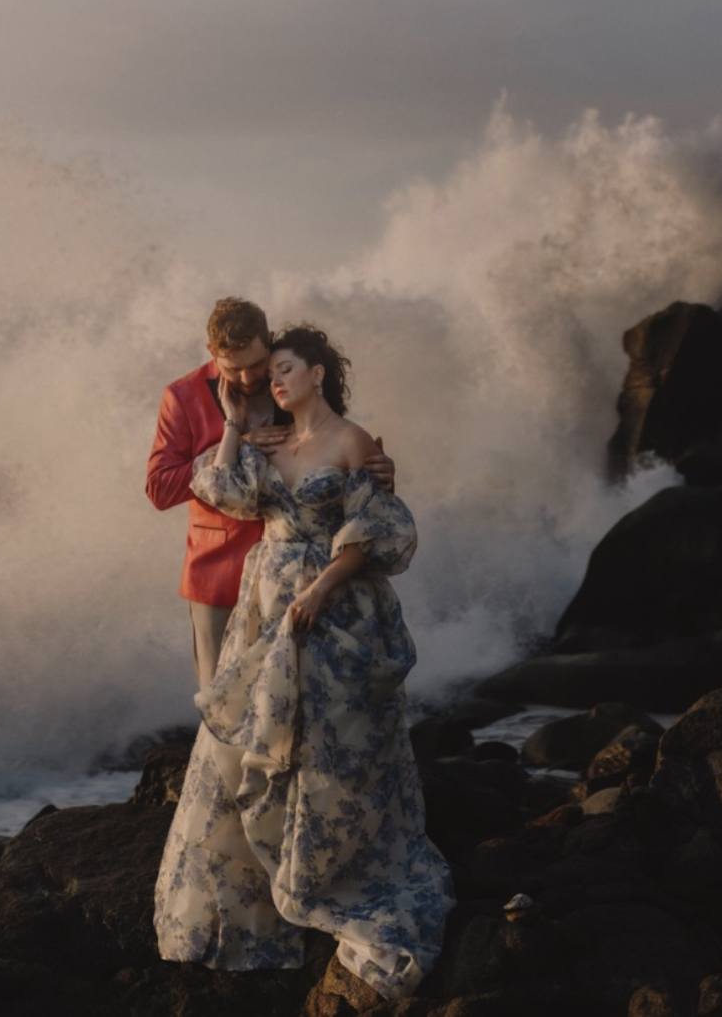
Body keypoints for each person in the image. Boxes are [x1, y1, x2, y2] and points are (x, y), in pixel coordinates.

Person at [153, 324, 453, 1001]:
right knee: (265, 741)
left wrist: (320, 589)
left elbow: (374, 527)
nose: (274, 382)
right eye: (270, 374)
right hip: (267, 605)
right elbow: (219, 489)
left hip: (332, 606)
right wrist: (233, 425)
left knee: (332, 744)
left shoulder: (354, 441)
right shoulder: (271, 439)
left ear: (318, 373)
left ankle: (329, 870)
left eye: (285, 369)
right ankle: (267, 890)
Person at [146, 299, 393, 690]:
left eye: (256, 364)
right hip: (218, 573)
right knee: (223, 699)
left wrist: (378, 471)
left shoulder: (290, 379)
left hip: (300, 574)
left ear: (269, 341)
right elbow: (159, 488)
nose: (247, 378)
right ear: (212, 352)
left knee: (295, 700)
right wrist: (238, 443)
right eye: (233, 368)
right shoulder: (182, 396)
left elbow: (333, 450)